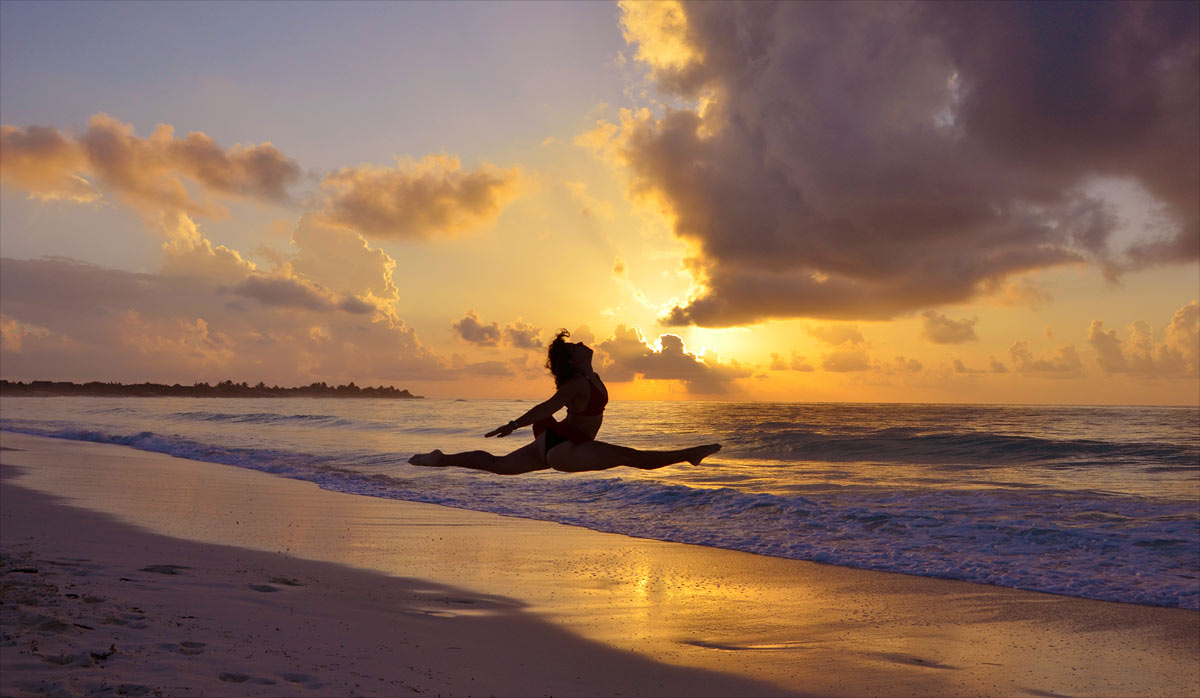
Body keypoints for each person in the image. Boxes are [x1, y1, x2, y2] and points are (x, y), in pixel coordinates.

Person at [408, 330, 721, 475]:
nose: (583, 344)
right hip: (567, 446)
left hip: (554, 440)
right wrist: (515, 424)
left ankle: (442, 458)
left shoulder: (589, 377)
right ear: (573, 359)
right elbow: (548, 406)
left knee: (498, 465)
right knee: (633, 457)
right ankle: (690, 454)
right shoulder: (577, 384)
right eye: (576, 345)